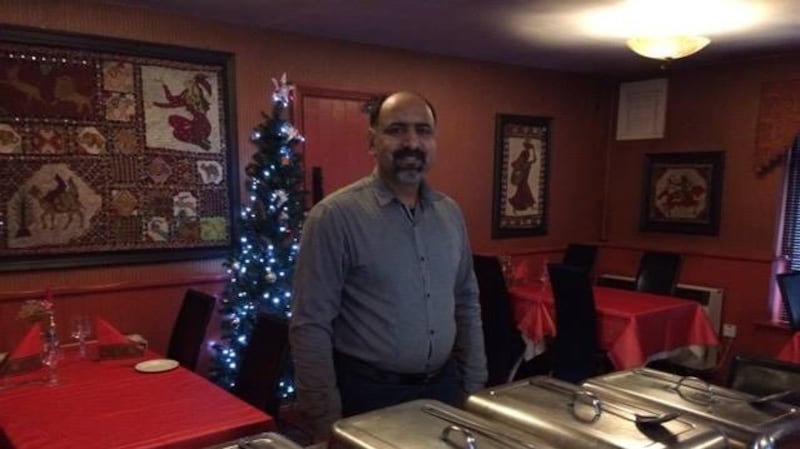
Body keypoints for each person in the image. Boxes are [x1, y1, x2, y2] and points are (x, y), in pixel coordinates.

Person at [289, 91, 487, 440]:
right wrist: (323, 420)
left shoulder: (450, 214)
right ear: (372, 140)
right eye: (397, 130)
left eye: (423, 131)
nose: (412, 142)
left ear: (434, 141)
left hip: (443, 389)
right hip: (369, 397)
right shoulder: (334, 217)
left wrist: (473, 385)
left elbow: (466, 303)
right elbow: (310, 324)